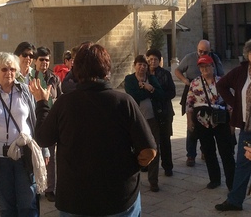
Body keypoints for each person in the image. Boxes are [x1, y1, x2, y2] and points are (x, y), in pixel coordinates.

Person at [30, 43, 157, 216]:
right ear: (106, 69)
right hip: (118, 197)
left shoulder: (64, 104)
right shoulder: (124, 102)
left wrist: (42, 104)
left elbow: (43, 138)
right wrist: (129, 167)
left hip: (75, 199)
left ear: (76, 70)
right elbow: (149, 150)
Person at [0, 52, 46, 217]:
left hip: (24, 156)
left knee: (28, 203)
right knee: (6, 206)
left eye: (12, 69)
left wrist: (45, 150)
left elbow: (36, 122)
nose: (9, 73)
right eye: (4, 69)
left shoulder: (26, 91)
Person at [186, 55, 234, 190]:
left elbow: (230, 103)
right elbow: (189, 103)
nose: (204, 69)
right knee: (208, 151)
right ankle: (214, 179)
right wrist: (189, 122)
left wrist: (232, 123)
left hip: (221, 121)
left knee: (226, 152)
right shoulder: (195, 83)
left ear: (213, 66)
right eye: (202, 67)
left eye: (207, 66)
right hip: (203, 122)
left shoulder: (222, 82)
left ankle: (231, 182)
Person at [175, 39, 224, 167]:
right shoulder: (189, 57)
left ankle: (205, 151)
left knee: (208, 124)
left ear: (210, 51)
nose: (202, 53)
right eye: (200, 51)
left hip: (211, 95)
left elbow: (222, 74)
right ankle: (191, 155)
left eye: (205, 52)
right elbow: (177, 70)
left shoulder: (215, 59)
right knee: (192, 126)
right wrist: (185, 81)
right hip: (193, 91)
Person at [215, 39, 251, 211]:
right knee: (242, 164)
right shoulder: (241, 72)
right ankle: (235, 201)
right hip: (247, 128)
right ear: (248, 54)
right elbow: (221, 85)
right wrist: (235, 104)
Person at [125, 55, 164, 192]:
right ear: (134, 65)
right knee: (135, 148)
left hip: (152, 119)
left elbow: (161, 94)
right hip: (135, 120)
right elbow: (133, 95)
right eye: (139, 64)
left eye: (144, 65)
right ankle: (133, 177)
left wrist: (150, 88)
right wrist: (147, 90)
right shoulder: (129, 79)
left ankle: (153, 181)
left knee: (154, 148)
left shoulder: (151, 79)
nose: (142, 67)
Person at [33, 46, 61, 202]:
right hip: (34, 120)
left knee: (50, 157)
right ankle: (36, 187)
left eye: (47, 60)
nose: (44, 62)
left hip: (50, 120)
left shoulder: (54, 78)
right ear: (35, 61)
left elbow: (61, 97)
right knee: (35, 156)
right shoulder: (30, 77)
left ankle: (50, 189)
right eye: (42, 59)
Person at [146, 49, 176, 177]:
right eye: (150, 59)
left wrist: (160, 95)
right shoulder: (144, 74)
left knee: (165, 140)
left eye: (155, 59)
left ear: (159, 61)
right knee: (149, 139)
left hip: (164, 111)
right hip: (149, 112)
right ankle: (148, 164)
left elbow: (172, 92)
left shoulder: (165, 74)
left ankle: (167, 166)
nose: (153, 62)